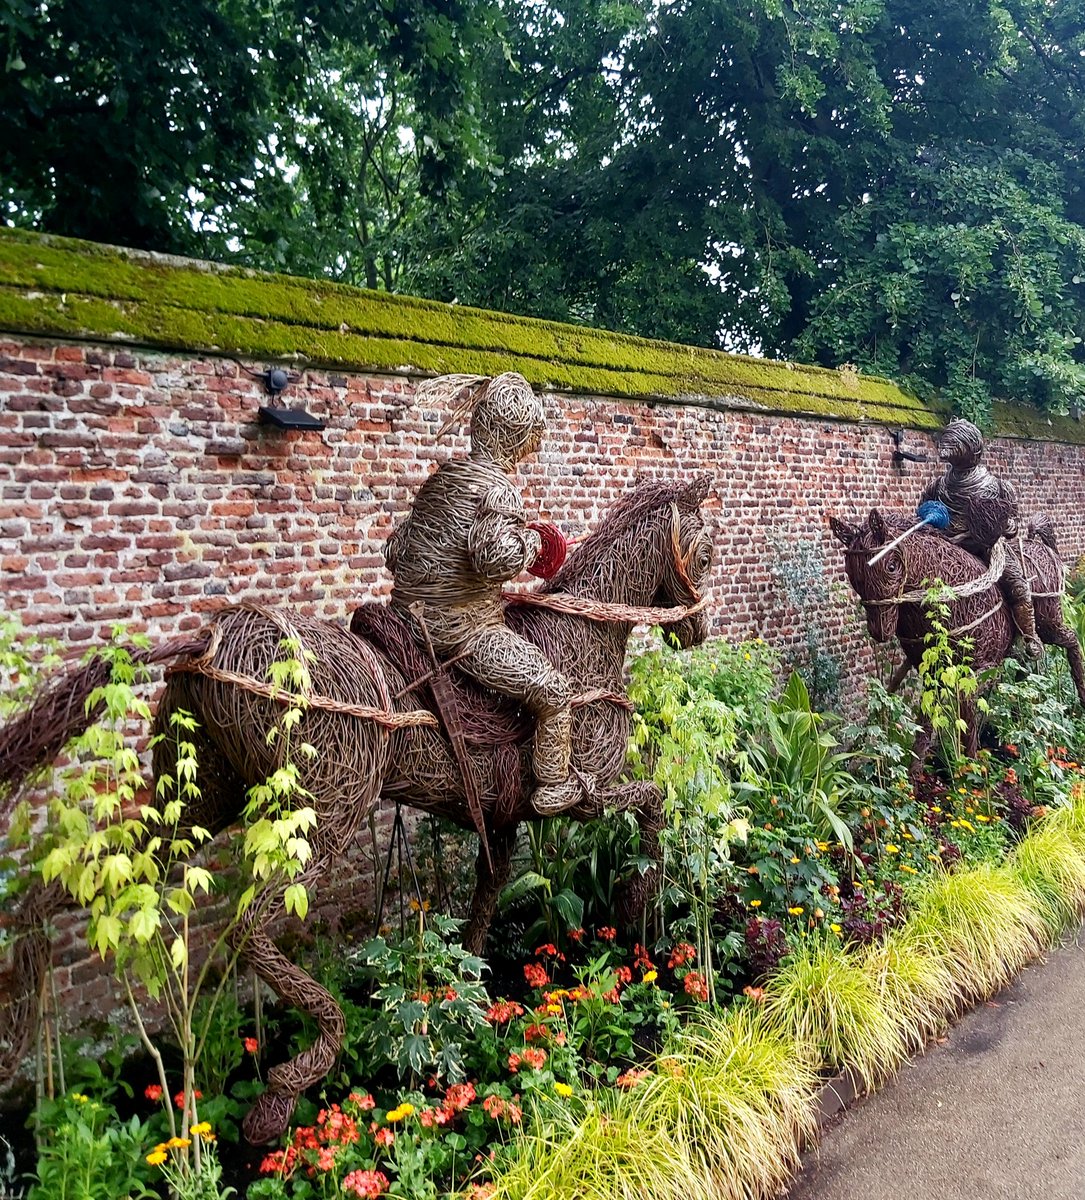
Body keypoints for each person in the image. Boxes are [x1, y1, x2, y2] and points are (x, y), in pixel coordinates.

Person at [385, 372, 588, 815]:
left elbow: (395, 550)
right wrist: (531, 544)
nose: (529, 452)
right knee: (553, 691)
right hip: (460, 633)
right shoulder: (498, 491)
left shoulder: (440, 481)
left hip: (402, 619)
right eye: (529, 442)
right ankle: (553, 783)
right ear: (513, 437)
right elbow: (494, 558)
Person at [920, 417, 1041, 656]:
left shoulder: (998, 487)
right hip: (948, 548)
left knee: (1017, 585)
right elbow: (923, 514)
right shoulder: (938, 487)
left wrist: (1000, 525)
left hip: (987, 548)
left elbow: (1013, 526)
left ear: (973, 450)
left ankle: (1029, 637)